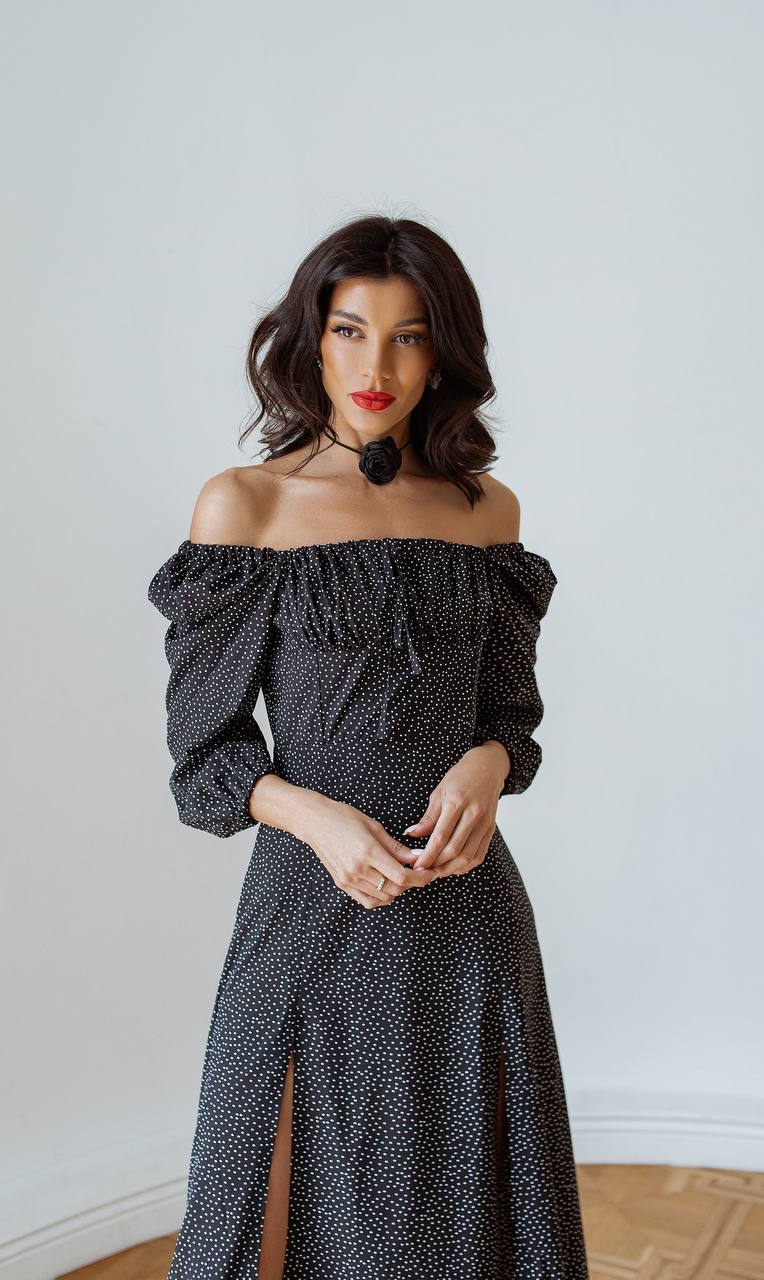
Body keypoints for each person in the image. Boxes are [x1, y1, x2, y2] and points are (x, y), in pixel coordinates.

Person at [147, 214, 589, 1279]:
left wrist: (489, 763)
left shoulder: (488, 513)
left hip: (465, 906)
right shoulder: (243, 506)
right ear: (310, 341)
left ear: (445, 352)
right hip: (310, 906)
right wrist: (312, 814)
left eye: (407, 335)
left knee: (472, 1207)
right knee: (277, 1191)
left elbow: (509, 719)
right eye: (349, 331)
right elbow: (203, 757)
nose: (375, 365)